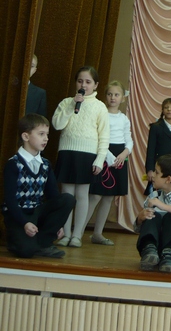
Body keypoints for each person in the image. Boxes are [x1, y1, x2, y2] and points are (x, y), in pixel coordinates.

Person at [2, 114, 75, 258]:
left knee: (67, 199)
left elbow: (53, 196)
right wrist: (25, 223)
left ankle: (44, 243)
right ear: (26, 136)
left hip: (36, 212)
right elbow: (10, 200)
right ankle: (18, 242)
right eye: (41, 134)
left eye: (47, 135)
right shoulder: (13, 164)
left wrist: (58, 224)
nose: (46, 139)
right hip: (19, 214)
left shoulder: (46, 164)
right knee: (26, 251)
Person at [52, 66, 109, 248]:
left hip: (87, 155)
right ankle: (66, 234)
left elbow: (104, 136)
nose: (83, 85)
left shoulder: (100, 107)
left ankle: (77, 235)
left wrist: (100, 159)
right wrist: (71, 105)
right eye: (80, 81)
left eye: (88, 82)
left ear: (95, 85)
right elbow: (57, 125)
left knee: (82, 195)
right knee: (67, 194)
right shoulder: (66, 102)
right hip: (67, 152)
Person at [85, 81, 133, 246]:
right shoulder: (101, 113)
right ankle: (78, 231)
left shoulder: (124, 118)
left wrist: (125, 153)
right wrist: (109, 156)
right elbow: (98, 137)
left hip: (120, 156)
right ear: (105, 96)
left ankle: (98, 233)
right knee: (95, 195)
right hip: (104, 154)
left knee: (108, 197)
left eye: (116, 95)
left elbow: (129, 139)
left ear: (122, 98)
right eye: (110, 94)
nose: (113, 97)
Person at [145, 97, 171, 195]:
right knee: (155, 195)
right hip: (159, 168)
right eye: (166, 107)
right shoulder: (156, 127)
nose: (169, 109)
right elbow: (150, 150)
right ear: (162, 111)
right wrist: (150, 170)